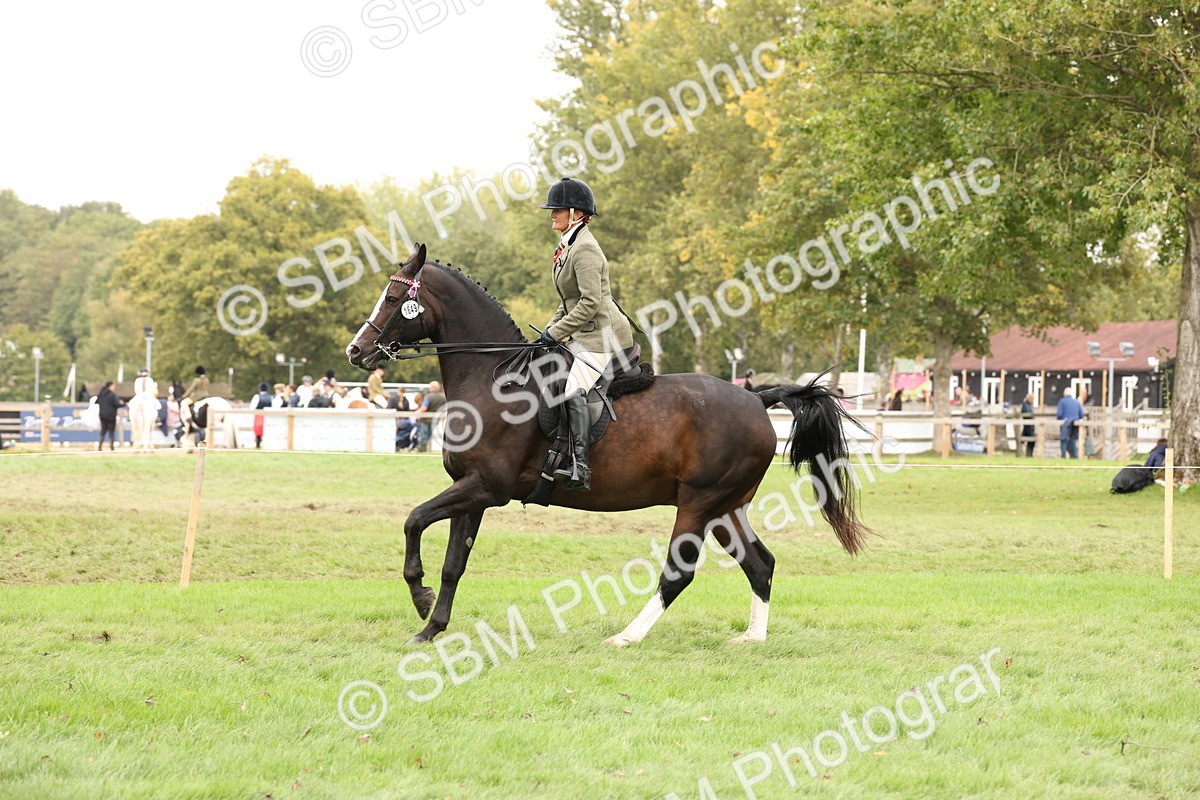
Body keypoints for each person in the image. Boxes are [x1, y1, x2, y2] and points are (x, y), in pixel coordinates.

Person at [535, 176, 635, 491]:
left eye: (558, 210)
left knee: (570, 389)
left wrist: (558, 332)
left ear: (576, 214)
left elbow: (590, 303)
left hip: (603, 336)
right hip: (584, 332)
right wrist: (550, 330)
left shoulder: (586, 248)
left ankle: (581, 466)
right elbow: (568, 301)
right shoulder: (569, 245)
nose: (552, 214)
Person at [181, 366, 210, 444]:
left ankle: (188, 416)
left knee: (183, 402)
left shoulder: (196, 380)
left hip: (196, 398)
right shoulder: (207, 380)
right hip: (205, 397)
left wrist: (184, 396)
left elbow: (191, 389)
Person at [1056, 387, 1085, 459]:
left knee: (1064, 440)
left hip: (1065, 424)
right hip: (1075, 423)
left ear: (1064, 394)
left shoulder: (1062, 401)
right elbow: (1081, 414)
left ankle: (1063, 456)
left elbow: (1059, 414)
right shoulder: (1076, 402)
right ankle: (1074, 456)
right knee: (1073, 440)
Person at [417, 381, 446, 451]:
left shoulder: (428, 397)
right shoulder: (443, 397)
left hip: (425, 419)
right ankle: (426, 449)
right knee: (429, 434)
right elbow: (445, 408)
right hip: (435, 419)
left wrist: (415, 413)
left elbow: (424, 408)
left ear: (432, 388)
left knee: (423, 434)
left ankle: (422, 449)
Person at [96, 380, 124, 451]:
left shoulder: (101, 394)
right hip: (111, 416)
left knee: (103, 431)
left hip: (102, 415)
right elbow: (117, 404)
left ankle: (100, 447)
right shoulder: (112, 395)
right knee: (111, 432)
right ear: (110, 386)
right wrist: (124, 404)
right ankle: (111, 447)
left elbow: (97, 402)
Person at [250, 381, 272, 449]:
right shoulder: (271, 397)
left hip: (259, 415)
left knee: (258, 431)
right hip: (268, 416)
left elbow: (252, 407)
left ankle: (258, 444)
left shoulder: (257, 396)